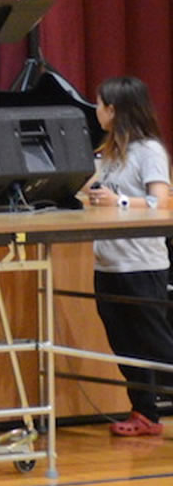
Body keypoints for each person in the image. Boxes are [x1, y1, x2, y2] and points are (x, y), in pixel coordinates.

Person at [82, 77, 173, 437]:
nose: (96, 111)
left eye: (99, 104)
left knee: (157, 344)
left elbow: (161, 201)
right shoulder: (107, 153)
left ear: (114, 110)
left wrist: (118, 201)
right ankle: (145, 412)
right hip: (108, 262)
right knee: (124, 344)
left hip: (141, 263)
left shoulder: (149, 150)